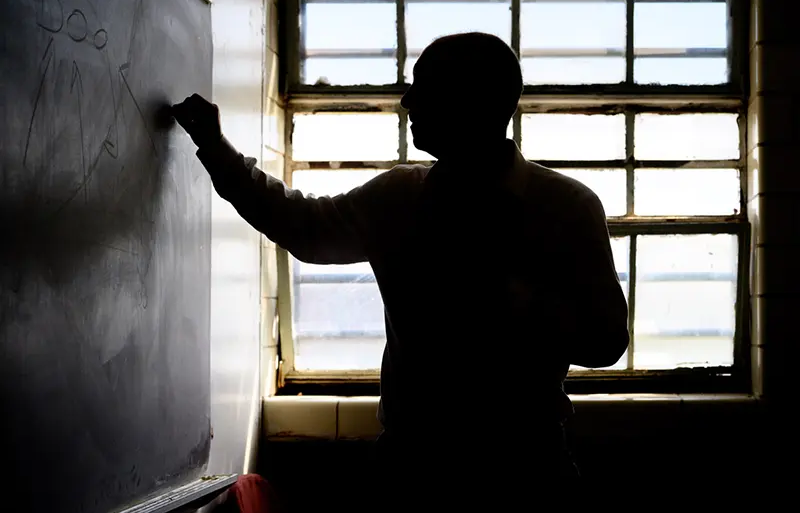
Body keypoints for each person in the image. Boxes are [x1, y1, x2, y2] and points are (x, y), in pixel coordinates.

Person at [173, 32, 629, 502]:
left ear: (472, 101)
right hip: (424, 470)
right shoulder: (402, 196)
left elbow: (607, 341)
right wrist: (216, 149)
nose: (407, 101)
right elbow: (303, 226)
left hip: (521, 470)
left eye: (424, 86)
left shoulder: (566, 208)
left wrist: (519, 301)